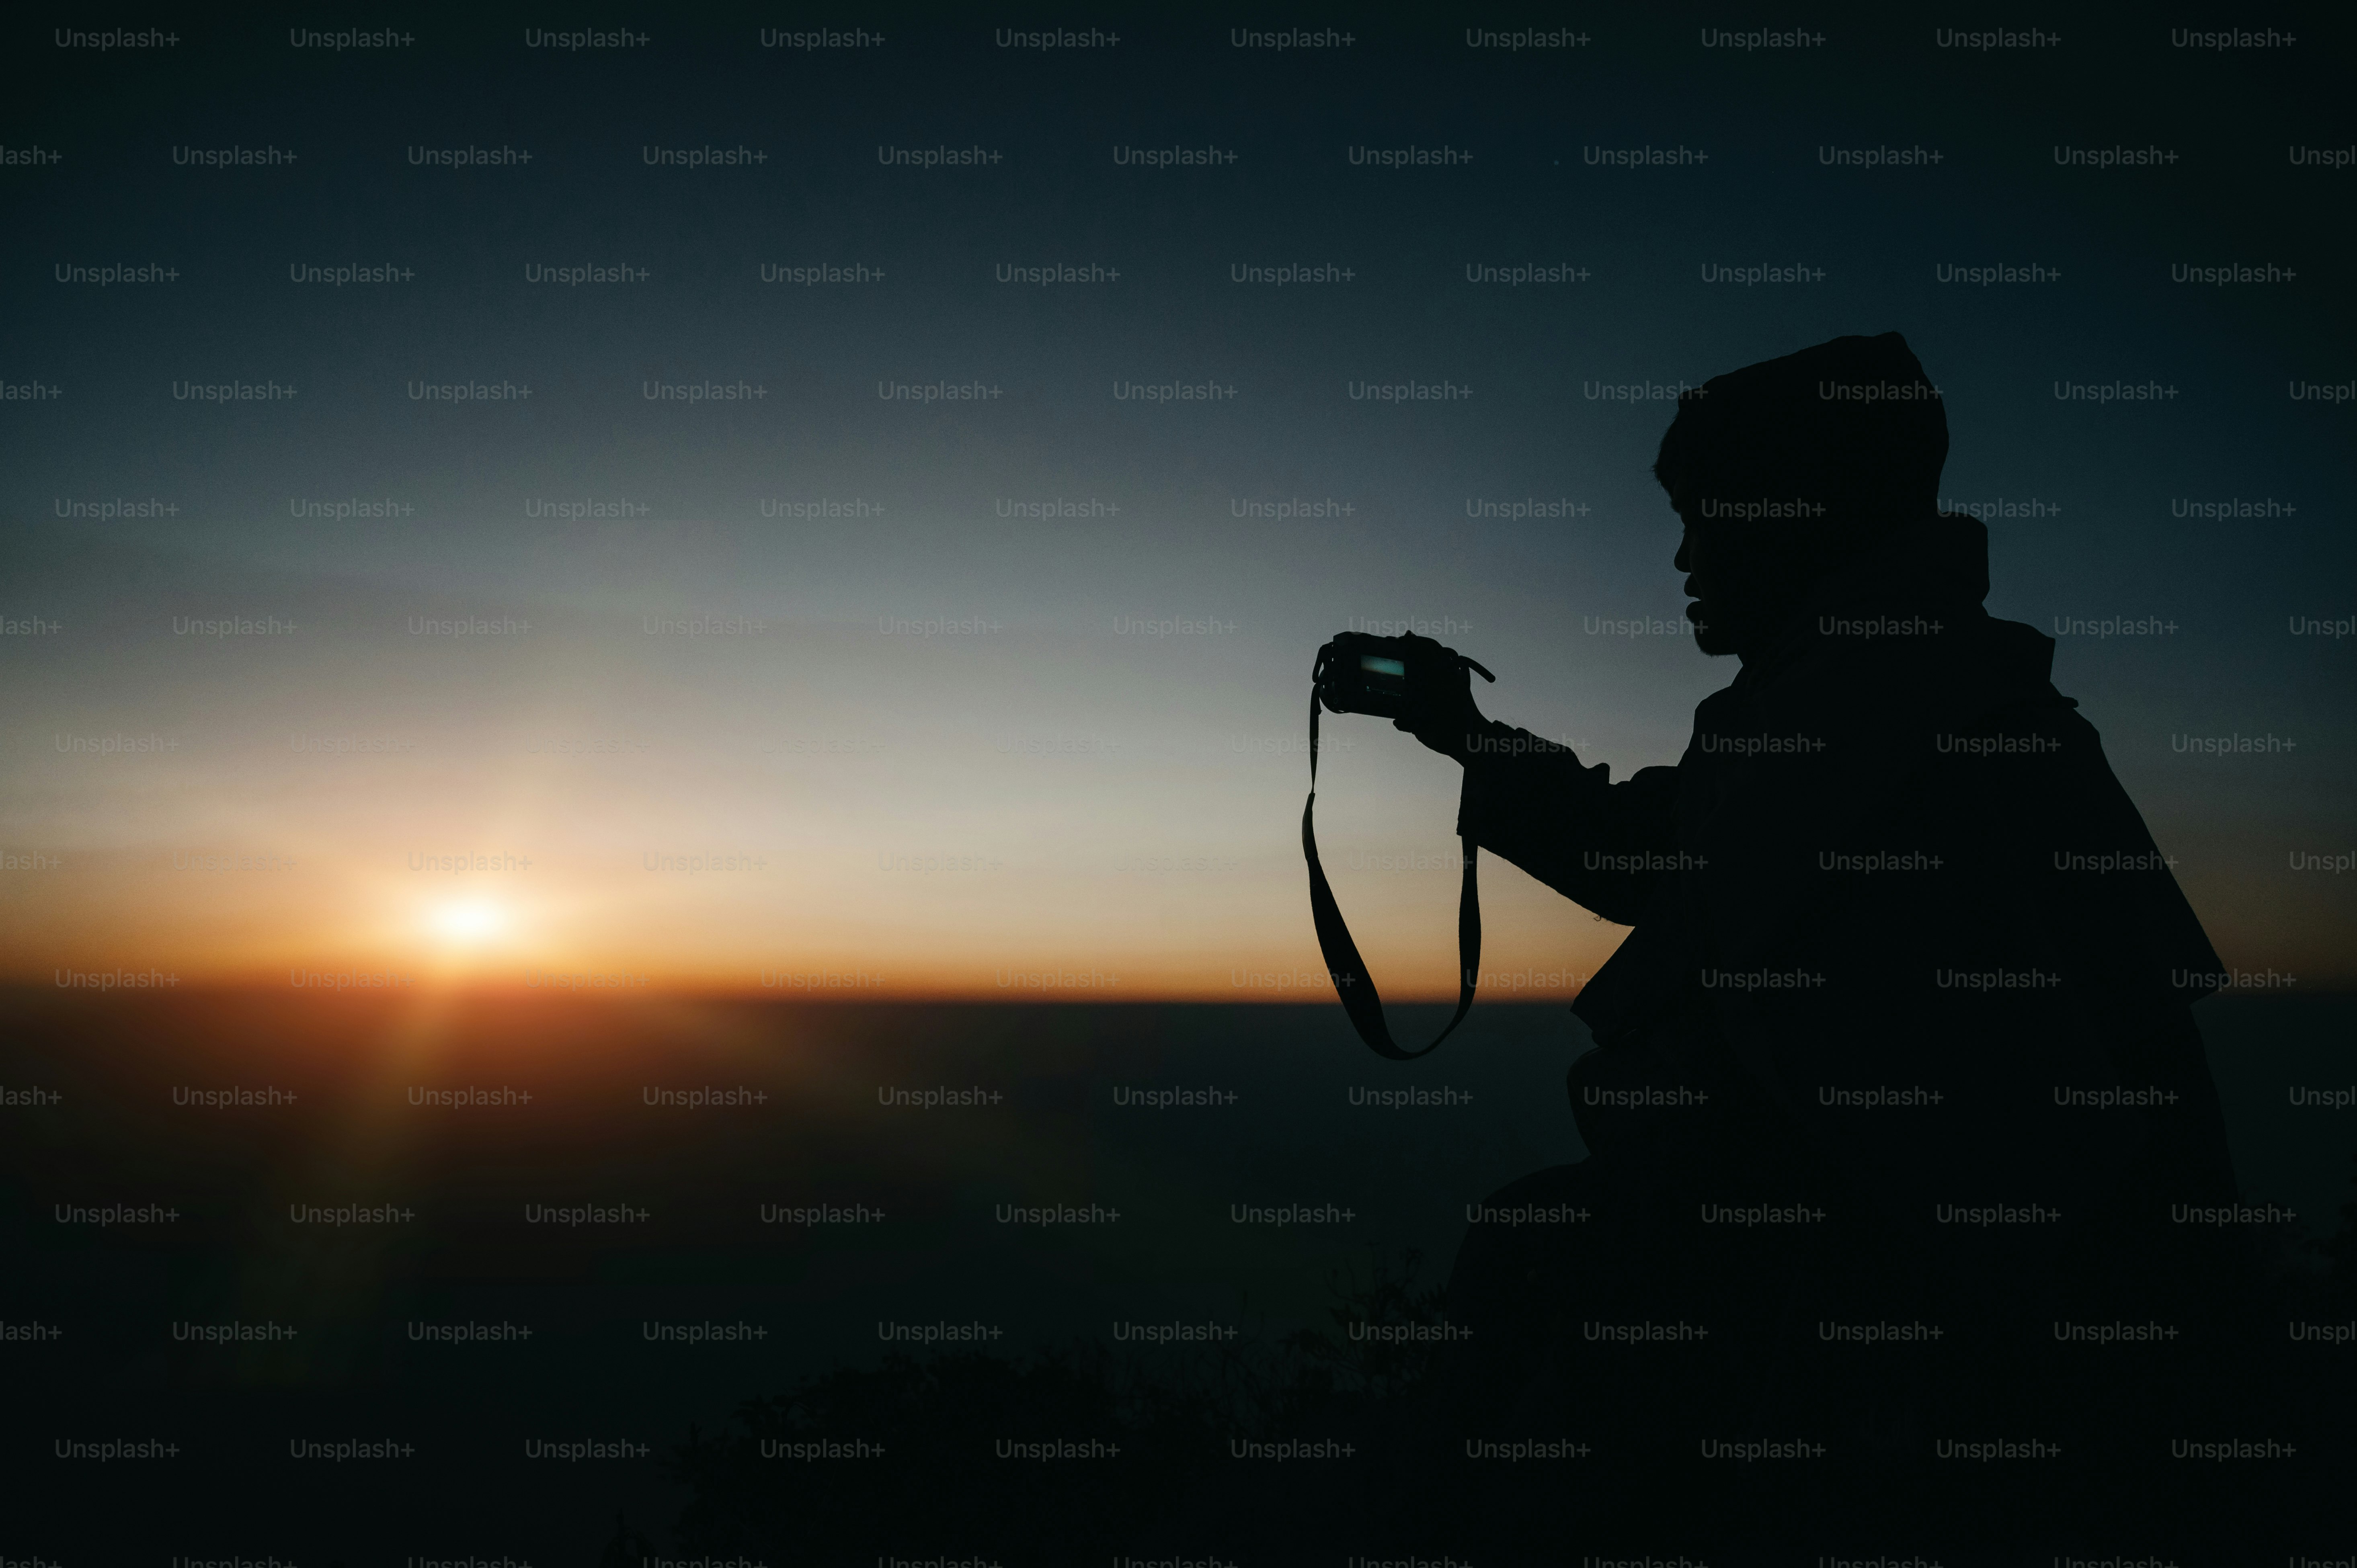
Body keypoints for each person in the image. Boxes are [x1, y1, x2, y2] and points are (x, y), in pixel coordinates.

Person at [1385, 333, 2262, 1550]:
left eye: (1706, 515)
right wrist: (1464, 732)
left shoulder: (1922, 716)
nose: (1685, 556)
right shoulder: (1871, 701)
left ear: (1804, 509)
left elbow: (2130, 1092)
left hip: (1863, 1311)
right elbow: (1669, 850)